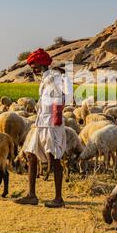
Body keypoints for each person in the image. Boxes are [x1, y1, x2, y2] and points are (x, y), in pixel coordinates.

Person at [16, 48, 73, 208]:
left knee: (54, 159)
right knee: (30, 154)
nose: (32, 69)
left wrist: (57, 105)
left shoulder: (59, 76)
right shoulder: (44, 79)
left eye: (34, 65)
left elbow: (68, 95)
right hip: (41, 123)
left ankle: (58, 198)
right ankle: (31, 195)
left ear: (41, 64)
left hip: (52, 124)